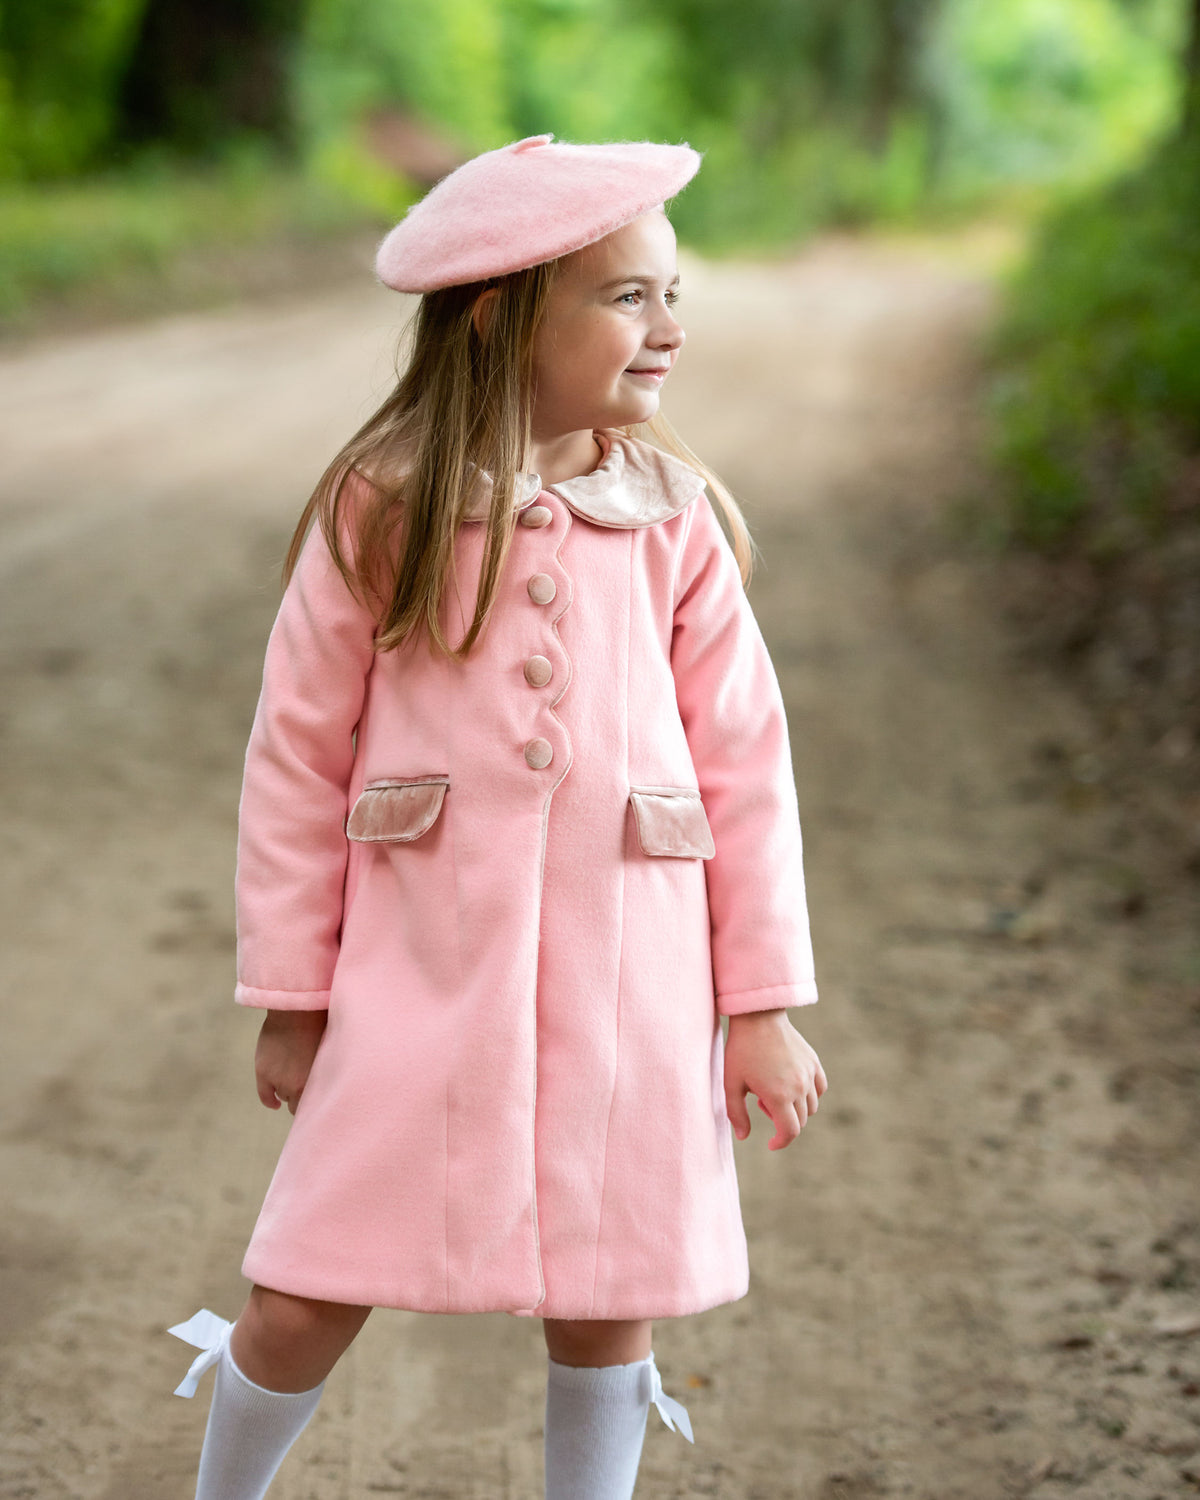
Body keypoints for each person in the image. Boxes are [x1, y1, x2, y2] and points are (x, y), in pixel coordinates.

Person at [169, 133, 828, 1500]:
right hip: (417, 965)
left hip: (633, 968)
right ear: (502, 316)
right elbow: (297, 756)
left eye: (674, 294)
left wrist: (760, 1001)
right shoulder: (384, 507)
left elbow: (746, 766)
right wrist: (294, 988)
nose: (670, 328)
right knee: (308, 1282)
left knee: (608, 1282)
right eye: (629, 296)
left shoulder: (671, 519)